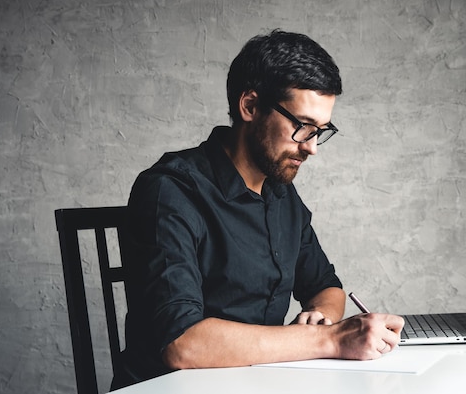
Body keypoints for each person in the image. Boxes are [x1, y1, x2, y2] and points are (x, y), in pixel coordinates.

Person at [111, 29, 404, 390]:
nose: (312, 148)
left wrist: (321, 319)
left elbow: (327, 287)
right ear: (249, 106)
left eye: (321, 131)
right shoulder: (169, 191)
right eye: (302, 127)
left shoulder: (281, 191)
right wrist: (330, 340)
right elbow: (182, 344)